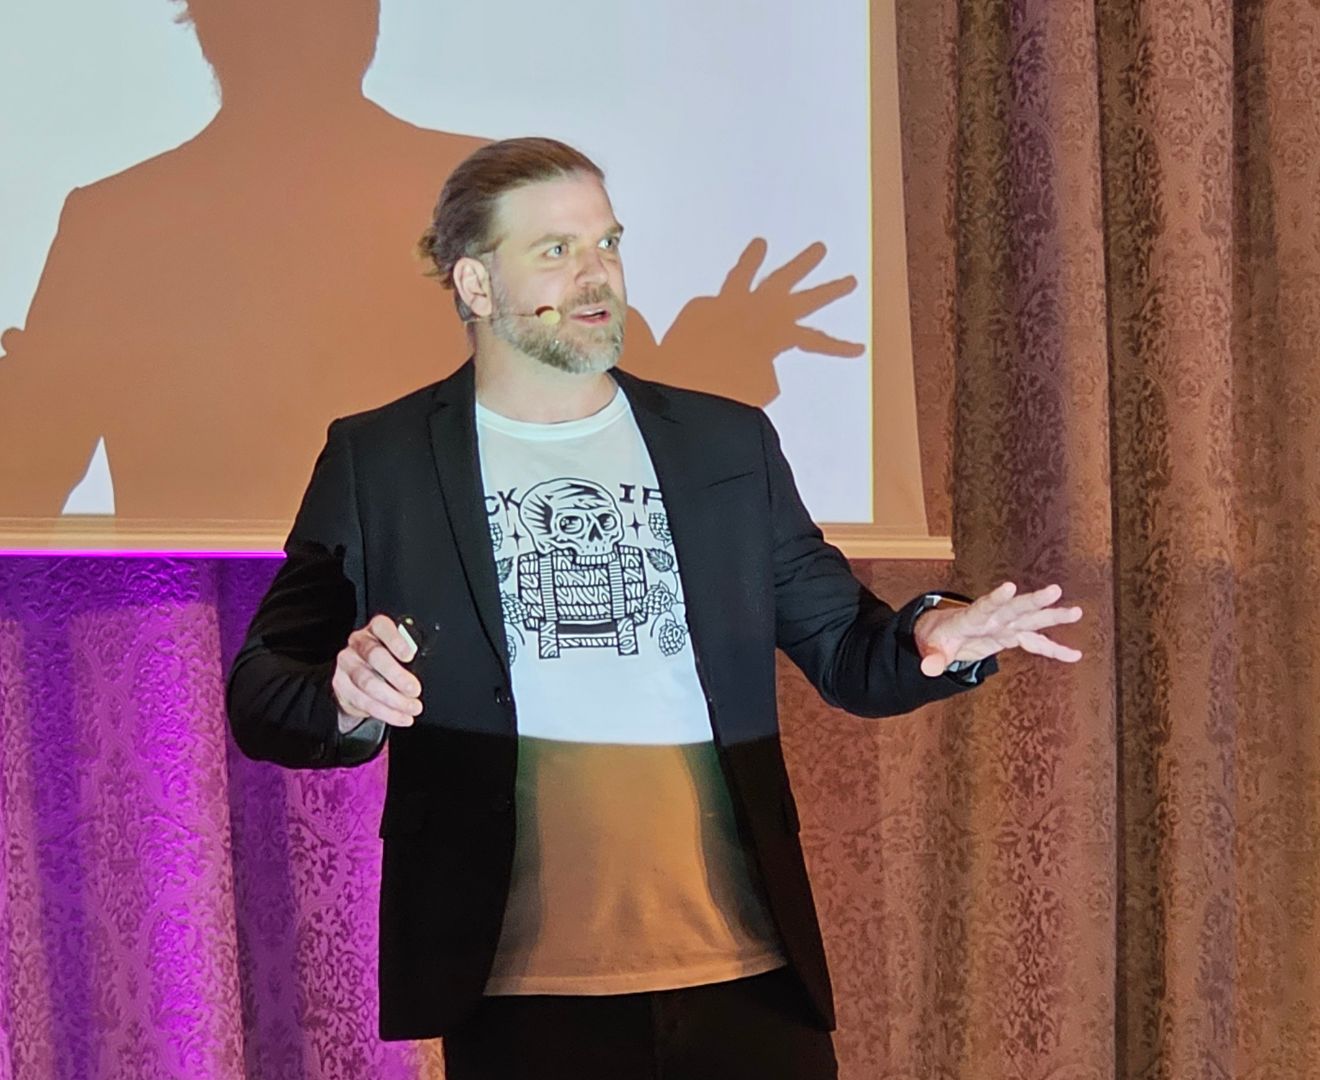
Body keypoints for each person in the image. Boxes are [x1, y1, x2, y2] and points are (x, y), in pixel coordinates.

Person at [225, 137, 1083, 1080]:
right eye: (556, 250)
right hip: (517, 986)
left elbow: (847, 647)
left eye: (609, 242)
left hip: (746, 972)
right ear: (475, 282)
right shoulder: (382, 460)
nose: (597, 274)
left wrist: (934, 635)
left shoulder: (723, 443)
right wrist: (345, 697)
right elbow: (265, 688)